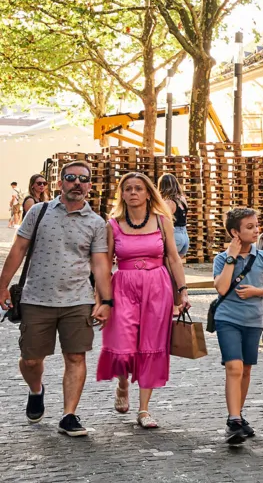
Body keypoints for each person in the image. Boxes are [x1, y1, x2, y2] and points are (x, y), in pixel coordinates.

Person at [0, 161, 113, 437]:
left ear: (89, 185)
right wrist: (2, 286)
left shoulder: (96, 223)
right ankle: (36, 390)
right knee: (30, 360)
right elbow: (18, 249)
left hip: (78, 300)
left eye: (83, 179)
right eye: (71, 177)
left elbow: (100, 264)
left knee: (75, 356)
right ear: (60, 183)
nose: (77, 183)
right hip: (36, 298)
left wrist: (106, 301)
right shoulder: (39, 212)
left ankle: (69, 415)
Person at [97, 173, 190, 429]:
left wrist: (183, 291)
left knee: (151, 344)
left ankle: (144, 409)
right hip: (123, 287)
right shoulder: (113, 225)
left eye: (138, 188)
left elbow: (174, 258)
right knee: (123, 343)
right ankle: (122, 383)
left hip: (157, 286)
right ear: (122, 194)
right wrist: (100, 298)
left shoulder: (162, 221)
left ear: (149, 193)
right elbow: (105, 264)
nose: (133, 193)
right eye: (128, 189)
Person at [211, 207, 263, 445]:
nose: (256, 230)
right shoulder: (221, 259)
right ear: (234, 232)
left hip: (253, 319)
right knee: (234, 367)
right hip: (227, 318)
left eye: (256, 225)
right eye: (249, 227)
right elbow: (221, 288)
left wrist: (256, 291)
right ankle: (234, 420)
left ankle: (237, 415)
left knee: (246, 369)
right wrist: (231, 256)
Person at [157, 174, 190, 257]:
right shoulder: (182, 199)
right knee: (177, 263)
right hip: (184, 236)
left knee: (167, 263)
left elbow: (164, 223)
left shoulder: (168, 203)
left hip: (175, 236)